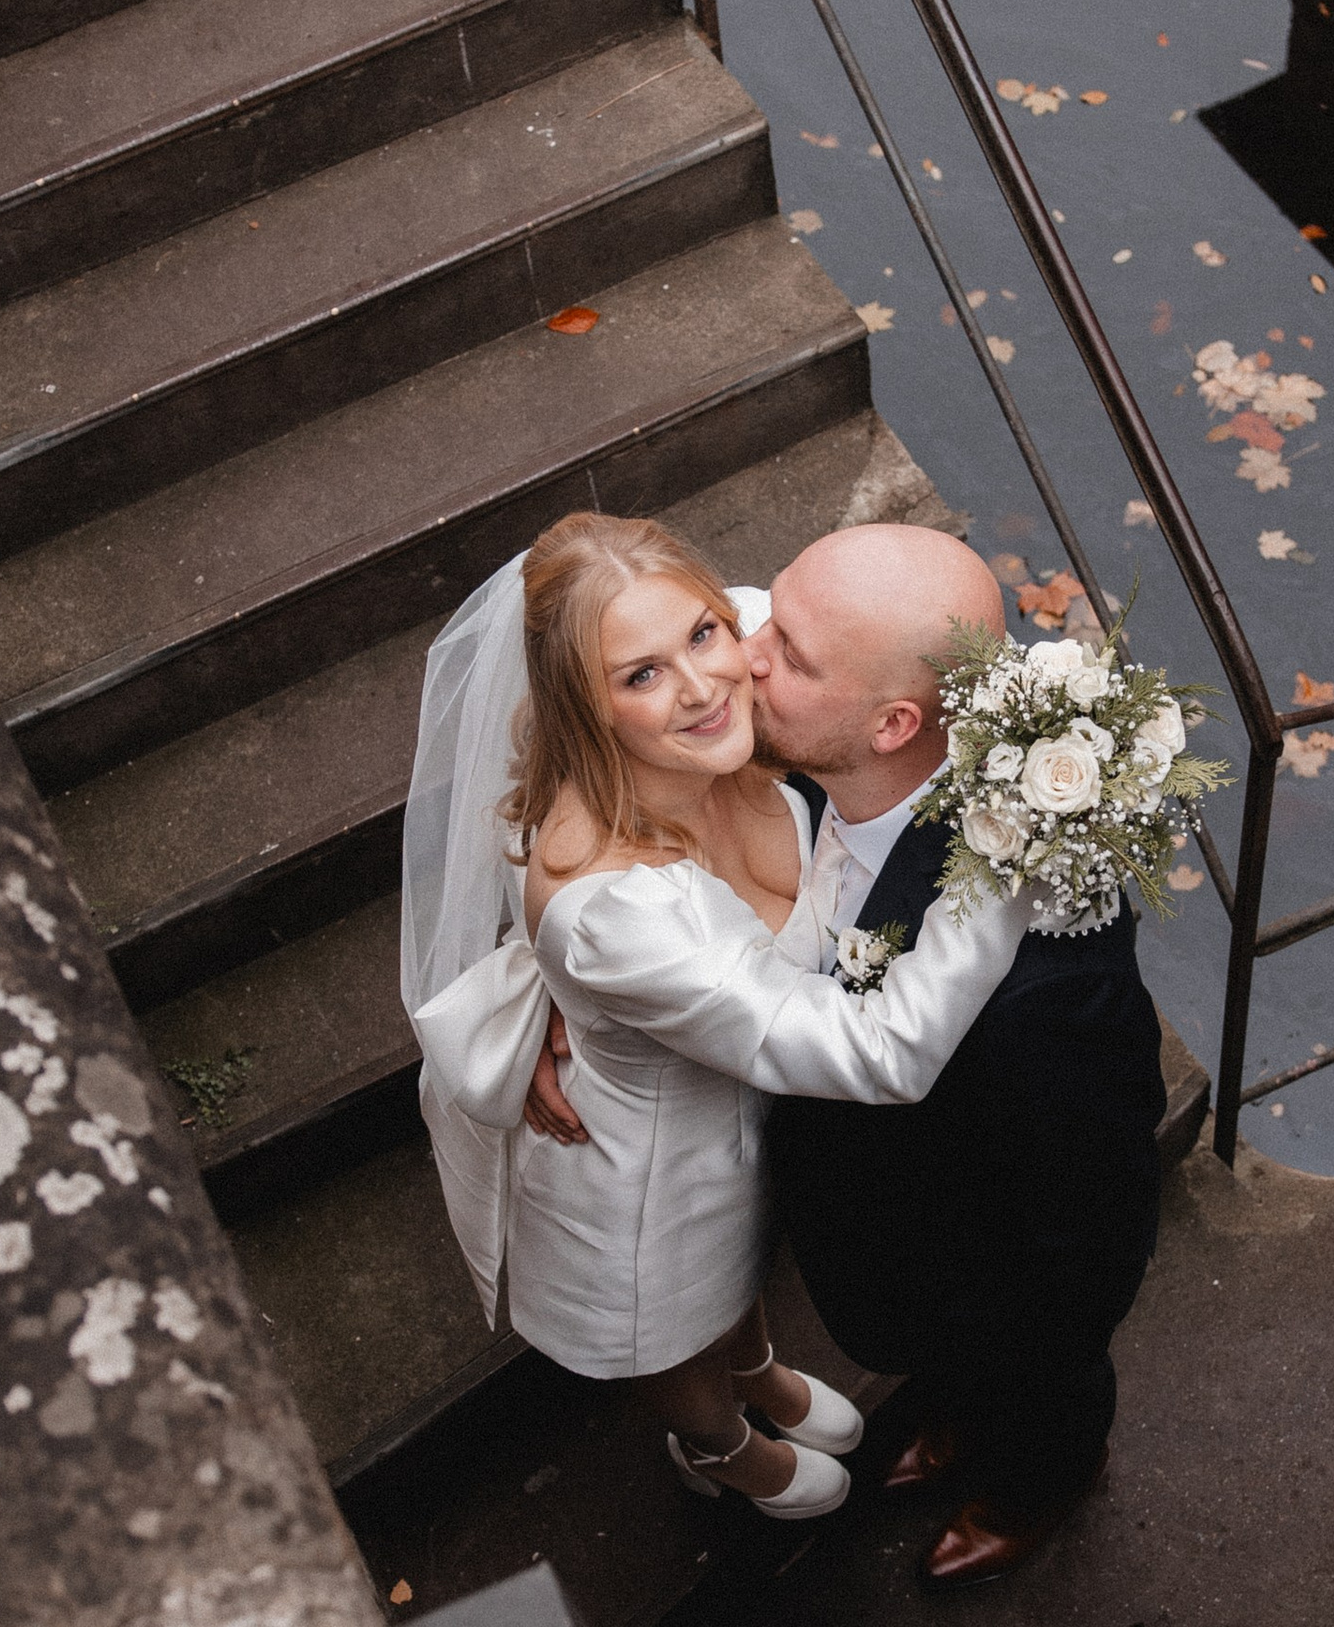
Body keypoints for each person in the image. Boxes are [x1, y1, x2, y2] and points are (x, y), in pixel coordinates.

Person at [402, 511, 1027, 1515]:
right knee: (676, 1327)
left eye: (702, 635)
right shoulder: (621, 915)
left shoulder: (736, 651)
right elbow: (884, 1053)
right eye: (639, 675)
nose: (701, 683)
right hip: (654, 1177)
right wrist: (1014, 856)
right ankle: (719, 1443)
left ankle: (762, 1373)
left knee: (742, 1293)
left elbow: (871, 642)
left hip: (759, 1126)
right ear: (585, 709)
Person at [749, 525, 1167, 1584]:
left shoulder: (1046, 981)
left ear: (893, 723)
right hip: (881, 1228)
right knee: (947, 1367)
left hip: (989, 1264)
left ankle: (1041, 1480)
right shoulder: (791, 763)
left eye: (789, 653)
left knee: (1028, 1379)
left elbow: (1088, 1210)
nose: (742, 656)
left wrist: (1053, 1345)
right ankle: (948, 1414)